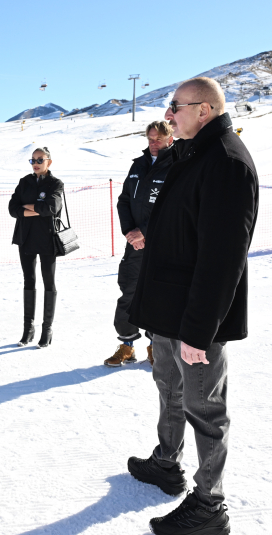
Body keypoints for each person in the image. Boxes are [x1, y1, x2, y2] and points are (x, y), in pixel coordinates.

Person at [127, 77, 258, 535]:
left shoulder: (226, 162)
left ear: (204, 109)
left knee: (205, 408)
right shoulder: (192, 153)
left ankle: (209, 504)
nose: (168, 115)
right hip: (168, 309)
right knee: (170, 388)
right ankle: (166, 461)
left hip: (195, 317)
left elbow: (223, 259)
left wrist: (200, 331)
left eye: (175, 107)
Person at [105, 121, 179, 368]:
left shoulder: (178, 164)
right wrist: (130, 232)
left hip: (162, 244)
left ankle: (155, 347)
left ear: (170, 138)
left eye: (158, 139)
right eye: (149, 139)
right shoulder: (138, 165)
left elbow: (174, 208)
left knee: (158, 295)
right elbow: (124, 200)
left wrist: (144, 232)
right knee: (129, 291)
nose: (153, 143)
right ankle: (126, 346)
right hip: (134, 244)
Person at [8, 147, 63, 348]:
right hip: (26, 238)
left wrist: (28, 208)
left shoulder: (56, 183)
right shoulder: (25, 182)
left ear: (49, 161)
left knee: (49, 281)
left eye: (40, 159)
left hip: (48, 238)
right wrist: (36, 209)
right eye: (32, 160)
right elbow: (13, 209)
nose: (36, 163)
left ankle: (47, 328)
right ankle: (28, 328)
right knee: (28, 280)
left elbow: (51, 207)